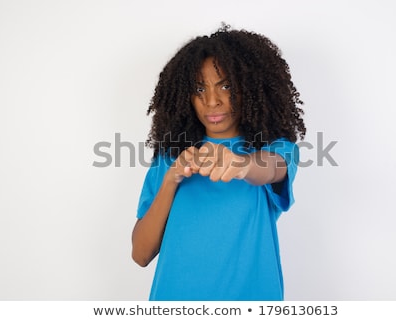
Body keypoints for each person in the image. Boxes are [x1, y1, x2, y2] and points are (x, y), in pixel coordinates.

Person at [131, 23, 306, 301]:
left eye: (226, 86)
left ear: (249, 89)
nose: (211, 101)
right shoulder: (172, 156)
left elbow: (271, 167)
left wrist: (243, 165)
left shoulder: (274, 149)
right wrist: (171, 179)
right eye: (199, 89)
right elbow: (141, 254)